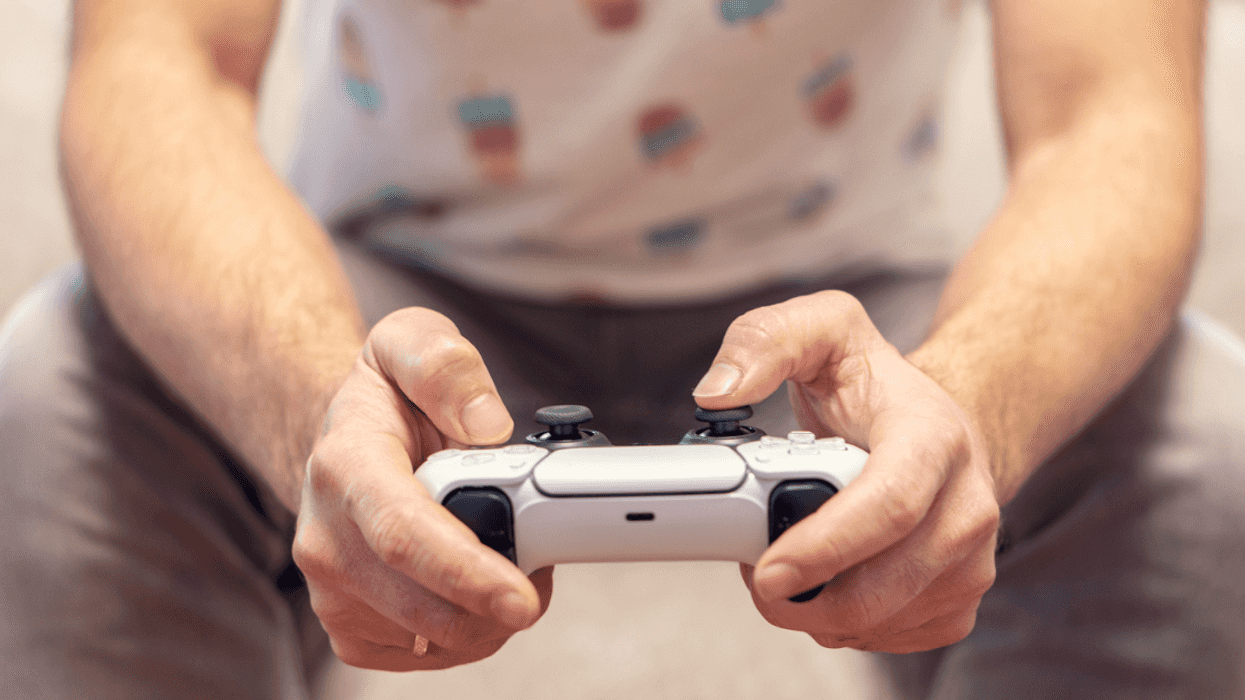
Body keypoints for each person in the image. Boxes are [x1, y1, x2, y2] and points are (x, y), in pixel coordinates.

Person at [2, 0, 1243, 697]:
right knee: (65, 398)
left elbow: (1110, 119)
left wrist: (970, 408)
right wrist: (312, 407)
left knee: (1192, 445)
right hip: (403, 302)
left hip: (849, 307)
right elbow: (159, 68)